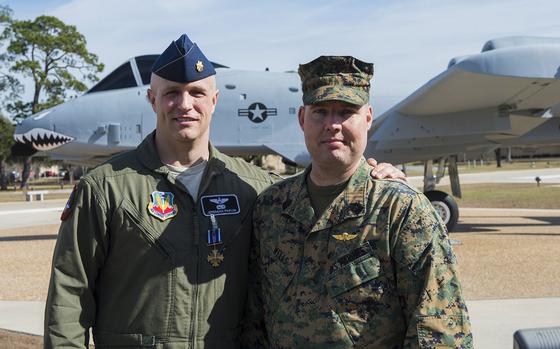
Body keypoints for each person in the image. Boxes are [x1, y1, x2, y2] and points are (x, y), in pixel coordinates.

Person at [44, 35, 404, 348]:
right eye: (172, 94)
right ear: (152, 100)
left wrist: (375, 178)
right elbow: (70, 295)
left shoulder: (256, 189)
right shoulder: (105, 187)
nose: (185, 104)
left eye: (197, 93)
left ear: (214, 101)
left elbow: (321, 213)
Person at [243, 56, 473, 348]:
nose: (332, 125)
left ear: (367, 118)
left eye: (346, 112)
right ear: (302, 118)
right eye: (320, 112)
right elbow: (254, 321)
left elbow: (439, 331)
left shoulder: (402, 211)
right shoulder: (271, 209)